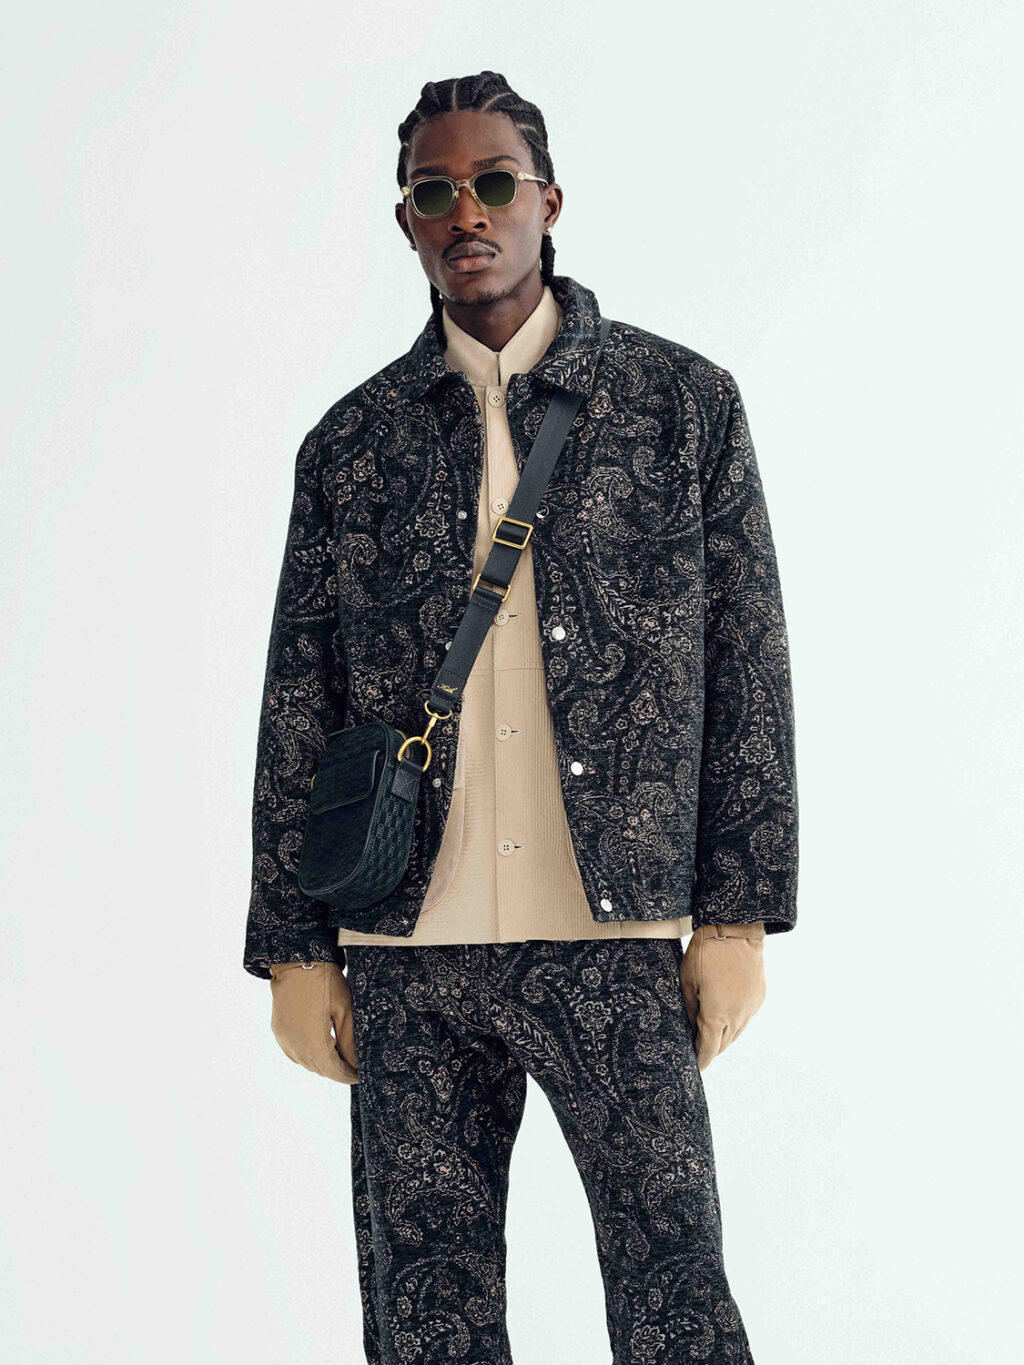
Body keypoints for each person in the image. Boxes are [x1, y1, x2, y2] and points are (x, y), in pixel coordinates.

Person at [243, 69, 798, 1365]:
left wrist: (736, 915)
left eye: (494, 182)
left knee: (675, 1299)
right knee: (425, 1319)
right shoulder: (352, 447)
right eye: (435, 193)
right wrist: (293, 948)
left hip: (617, 933)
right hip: (407, 944)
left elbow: (749, 670)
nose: (469, 212)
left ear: (550, 201)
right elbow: (298, 699)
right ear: (407, 221)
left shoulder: (681, 406)